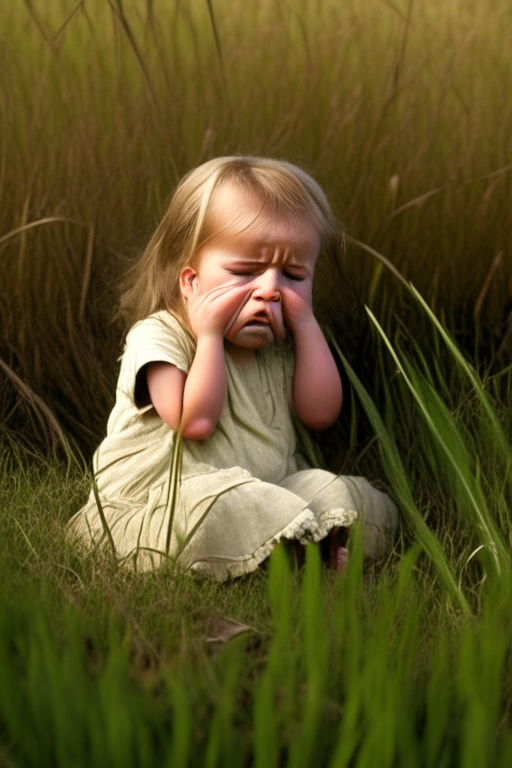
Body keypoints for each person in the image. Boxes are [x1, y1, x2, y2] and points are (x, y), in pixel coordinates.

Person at [67, 156, 397, 580]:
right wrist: (208, 337)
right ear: (191, 282)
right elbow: (194, 421)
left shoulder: (277, 347)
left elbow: (320, 412)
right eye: (245, 272)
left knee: (342, 492)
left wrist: (306, 323)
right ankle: (302, 550)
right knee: (218, 506)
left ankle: (303, 543)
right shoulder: (160, 337)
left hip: (267, 492)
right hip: (163, 502)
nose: (271, 290)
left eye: (294, 275)